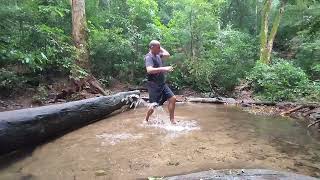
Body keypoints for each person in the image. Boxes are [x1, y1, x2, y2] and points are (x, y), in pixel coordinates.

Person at [144, 40, 177, 124]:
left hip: (162, 83)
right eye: (157, 47)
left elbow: (168, 54)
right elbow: (149, 70)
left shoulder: (158, 54)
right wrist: (164, 68)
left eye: (160, 47)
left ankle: (172, 120)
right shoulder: (149, 57)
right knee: (153, 105)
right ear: (152, 48)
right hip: (153, 85)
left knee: (173, 99)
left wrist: (159, 46)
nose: (159, 49)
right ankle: (146, 120)